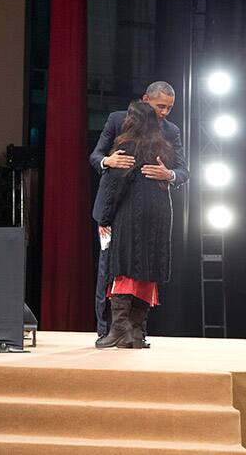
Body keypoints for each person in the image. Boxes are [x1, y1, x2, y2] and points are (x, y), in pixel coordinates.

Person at [90, 81, 188, 346]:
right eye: (160, 106)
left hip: (149, 207)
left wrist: (169, 175)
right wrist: (107, 161)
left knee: (143, 267)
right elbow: (96, 156)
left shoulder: (171, 131)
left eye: (169, 107)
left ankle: (132, 332)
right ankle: (107, 330)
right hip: (120, 205)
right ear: (146, 100)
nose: (165, 112)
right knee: (110, 268)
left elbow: (183, 171)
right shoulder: (120, 121)